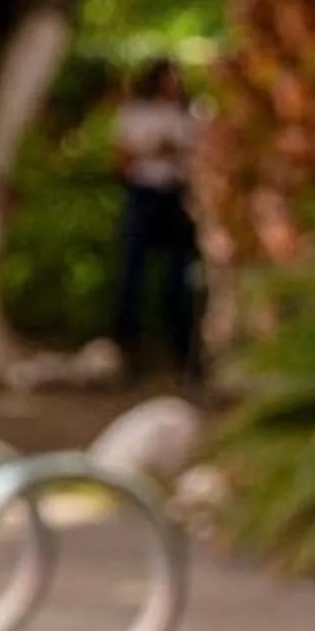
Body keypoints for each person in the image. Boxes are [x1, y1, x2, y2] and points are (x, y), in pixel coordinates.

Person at [109, 58, 206, 388]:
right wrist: (153, 149)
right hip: (143, 195)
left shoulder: (189, 115)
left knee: (179, 278)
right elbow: (121, 161)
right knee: (132, 272)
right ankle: (126, 348)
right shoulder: (135, 114)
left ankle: (181, 353)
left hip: (178, 198)